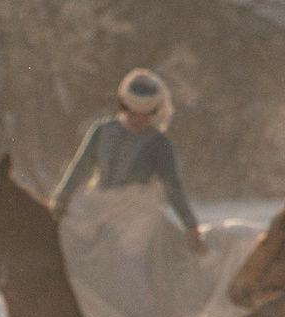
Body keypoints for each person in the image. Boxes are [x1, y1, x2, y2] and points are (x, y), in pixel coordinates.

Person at [51, 69, 204, 251]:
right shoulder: (103, 130)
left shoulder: (159, 143)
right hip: (98, 202)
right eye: (132, 113)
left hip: (135, 212)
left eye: (144, 115)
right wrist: (62, 197)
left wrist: (191, 226)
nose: (137, 119)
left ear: (154, 112)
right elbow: (81, 165)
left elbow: (172, 186)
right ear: (124, 107)